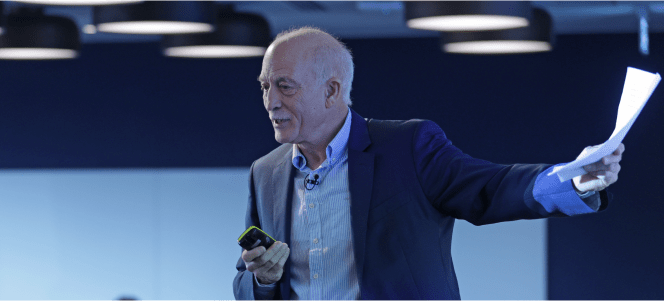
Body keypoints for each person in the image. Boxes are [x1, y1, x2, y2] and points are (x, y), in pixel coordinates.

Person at [232, 27, 624, 300]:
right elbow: (245, 283)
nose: (270, 101)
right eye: (265, 86)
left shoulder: (408, 147)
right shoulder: (265, 173)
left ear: (332, 90)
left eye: (285, 85)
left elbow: (491, 189)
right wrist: (262, 280)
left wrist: (575, 180)